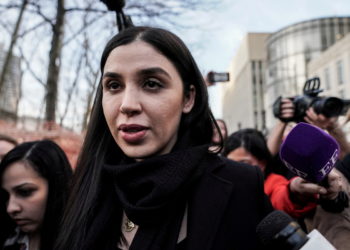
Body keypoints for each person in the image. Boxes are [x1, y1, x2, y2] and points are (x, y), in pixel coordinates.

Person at [54, 26, 272, 250]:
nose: (128, 104)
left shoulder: (240, 184)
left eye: (151, 84)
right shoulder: (84, 187)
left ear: (188, 98)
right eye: (114, 85)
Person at [222, 128, 342, 219]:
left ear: (262, 163)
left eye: (243, 163)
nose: (235, 169)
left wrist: (294, 191)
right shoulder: (222, 187)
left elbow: (281, 199)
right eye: (230, 164)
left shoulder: (274, 183)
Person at [0, 140, 73, 250]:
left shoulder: (86, 240)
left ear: (56, 187)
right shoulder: (8, 239)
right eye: (6, 196)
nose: (11, 208)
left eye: (25, 192)